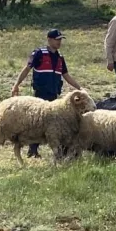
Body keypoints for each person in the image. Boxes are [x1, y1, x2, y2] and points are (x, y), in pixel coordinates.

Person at [11, 29, 82, 158]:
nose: (59, 42)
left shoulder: (60, 58)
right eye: (57, 39)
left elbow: (66, 75)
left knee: (51, 123)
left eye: (60, 39)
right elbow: (27, 68)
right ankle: (32, 150)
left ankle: (54, 149)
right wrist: (16, 84)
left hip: (53, 94)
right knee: (37, 121)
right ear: (49, 40)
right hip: (40, 93)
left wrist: (80, 88)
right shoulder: (39, 53)